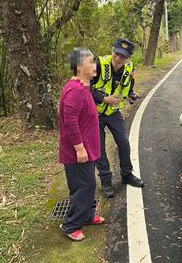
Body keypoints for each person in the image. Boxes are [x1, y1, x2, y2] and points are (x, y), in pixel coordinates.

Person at [59, 48, 105, 241]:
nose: (95, 66)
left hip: (87, 148)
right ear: (79, 66)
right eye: (90, 62)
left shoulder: (83, 86)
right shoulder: (75, 90)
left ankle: (86, 215)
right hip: (79, 151)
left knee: (87, 184)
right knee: (83, 186)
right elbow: (70, 121)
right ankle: (71, 225)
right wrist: (79, 147)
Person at [91, 38, 144, 198]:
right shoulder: (98, 63)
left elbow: (128, 89)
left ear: (129, 57)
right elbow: (84, 87)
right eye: (116, 53)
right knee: (99, 149)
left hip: (113, 112)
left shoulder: (130, 68)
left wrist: (131, 96)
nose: (118, 58)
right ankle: (106, 181)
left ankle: (127, 175)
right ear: (112, 51)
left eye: (123, 56)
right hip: (94, 114)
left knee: (123, 143)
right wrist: (104, 98)